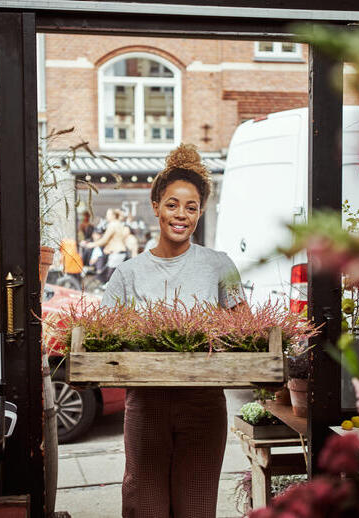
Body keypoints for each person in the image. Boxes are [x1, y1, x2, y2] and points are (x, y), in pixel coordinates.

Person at [101, 144, 244, 518]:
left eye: (191, 206)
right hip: (147, 407)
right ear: (156, 206)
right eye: (172, 204)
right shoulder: (127, 274)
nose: (181, 214)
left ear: (200, 212)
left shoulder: (220, 266)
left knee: (196, 509)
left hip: (204, 407)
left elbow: (246, 334)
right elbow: (106, 345)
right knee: (145, 508)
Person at [82, 208, 128, 282]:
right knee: (110, 277)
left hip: (117, 254)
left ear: (113, 216)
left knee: (109, 278)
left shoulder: (112, 225)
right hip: (119, 253)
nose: (106, 216)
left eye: (108, 214)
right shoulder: (118, 224)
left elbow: (104, 239)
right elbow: (113, 240)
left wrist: (91, 245)